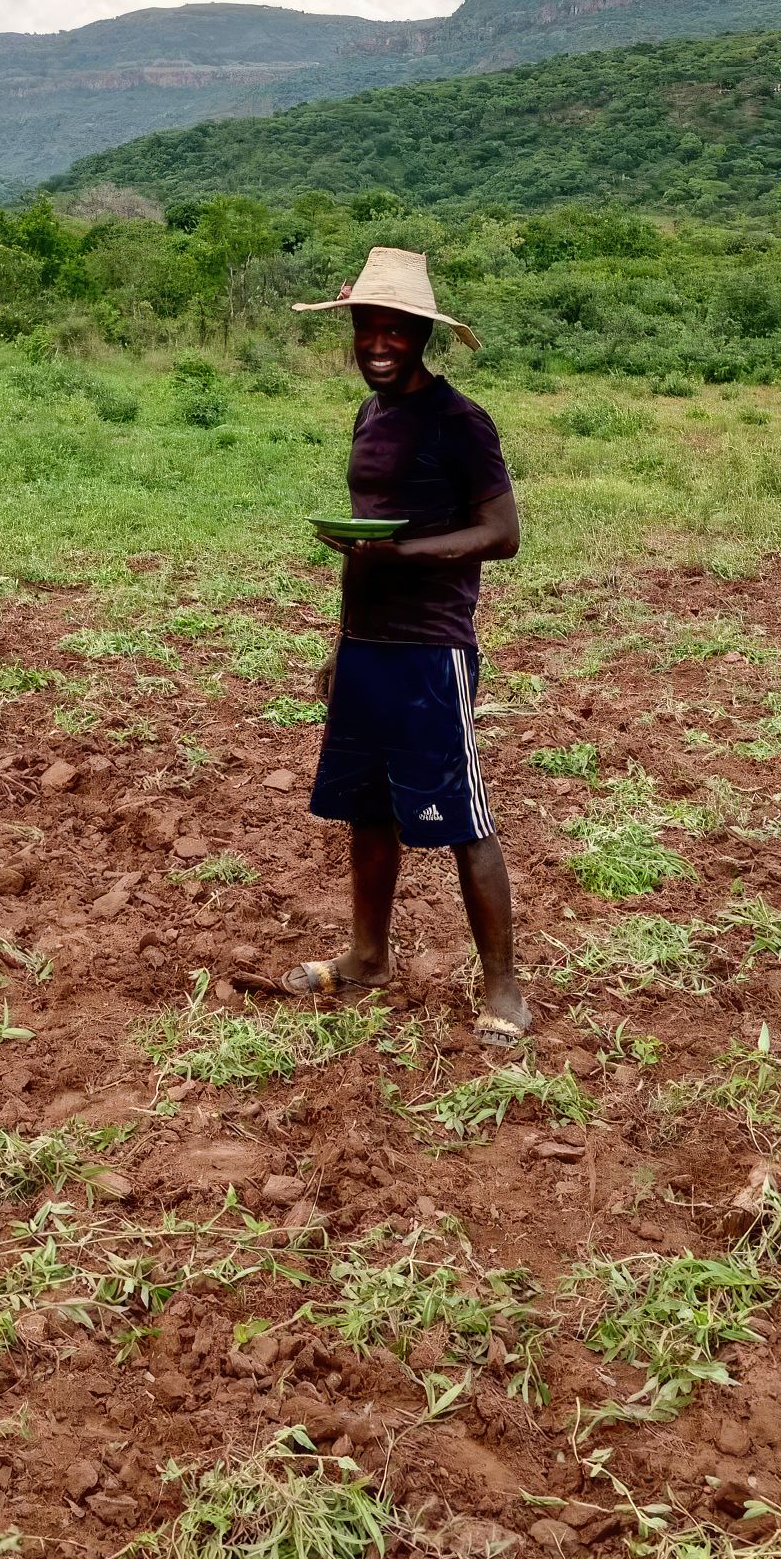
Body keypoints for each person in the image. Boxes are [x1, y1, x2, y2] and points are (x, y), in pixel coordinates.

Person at [281, 245, 531, 1048]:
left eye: (397, 332)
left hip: (431, 649)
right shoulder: (371, 413)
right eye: (368, 330)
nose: (380, 345)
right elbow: (365, 547)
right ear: (352, 330)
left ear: (422, 336)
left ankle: (505, 988)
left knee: (462, 816)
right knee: (368, 810)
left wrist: (407, 555)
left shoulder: (461, 422)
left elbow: (503, 535)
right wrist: (340, 643)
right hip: (369, 648)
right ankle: (367, 957)